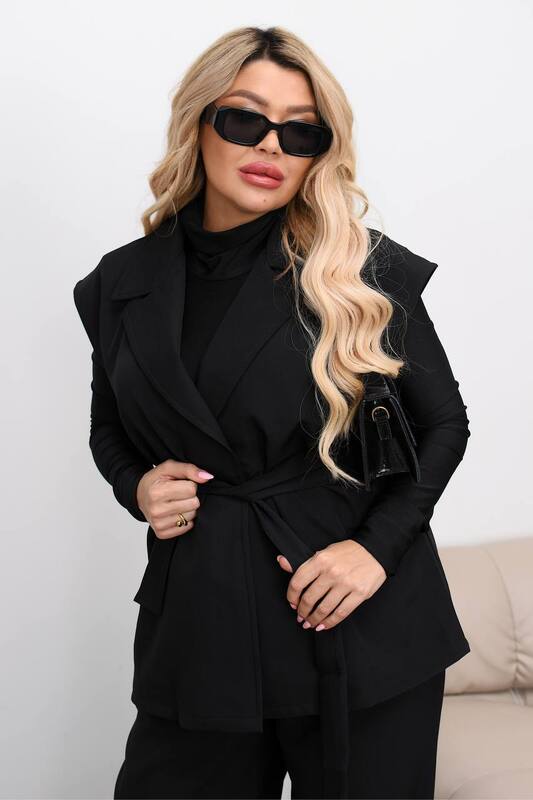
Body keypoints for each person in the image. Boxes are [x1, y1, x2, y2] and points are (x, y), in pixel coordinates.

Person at [73, 25, 471, 800]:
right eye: (244, 119)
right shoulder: (118, 285)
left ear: (320, 152)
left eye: (299, 131)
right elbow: (108, 427)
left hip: (353, 618)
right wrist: (137, 487)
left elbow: (442, 424)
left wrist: (373, 552)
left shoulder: (357, 267)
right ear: (198, 122)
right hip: (201, 622)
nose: (270, 146)